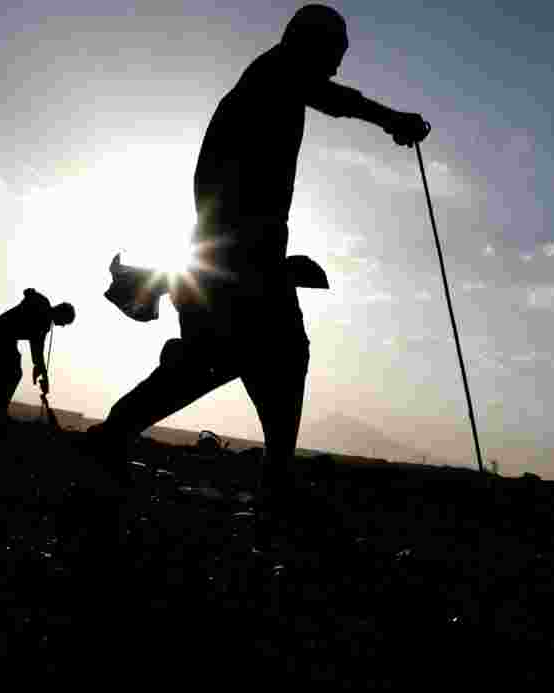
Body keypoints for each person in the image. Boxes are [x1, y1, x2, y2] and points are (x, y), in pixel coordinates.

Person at [88, 4, 430, 500]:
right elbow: (329, 98)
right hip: (237, 261)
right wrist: (389, 118)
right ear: (306, 42)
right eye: (334, 53)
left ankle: (264, 473)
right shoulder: (277, 72)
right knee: (258, 357)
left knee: (257, 358)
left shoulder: (268, 85)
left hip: (240, 256)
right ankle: (265, 477)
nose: (337, 65)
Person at [0, 288, 75, 420]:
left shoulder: (44, 325)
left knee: (9, 371)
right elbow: (29, 293)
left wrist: (43, 375)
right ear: (60, 312)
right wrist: (42, 372)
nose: (62, 326)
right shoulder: (43, 307)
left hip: (7, 340)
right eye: (64, 322)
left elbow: (37, 354)